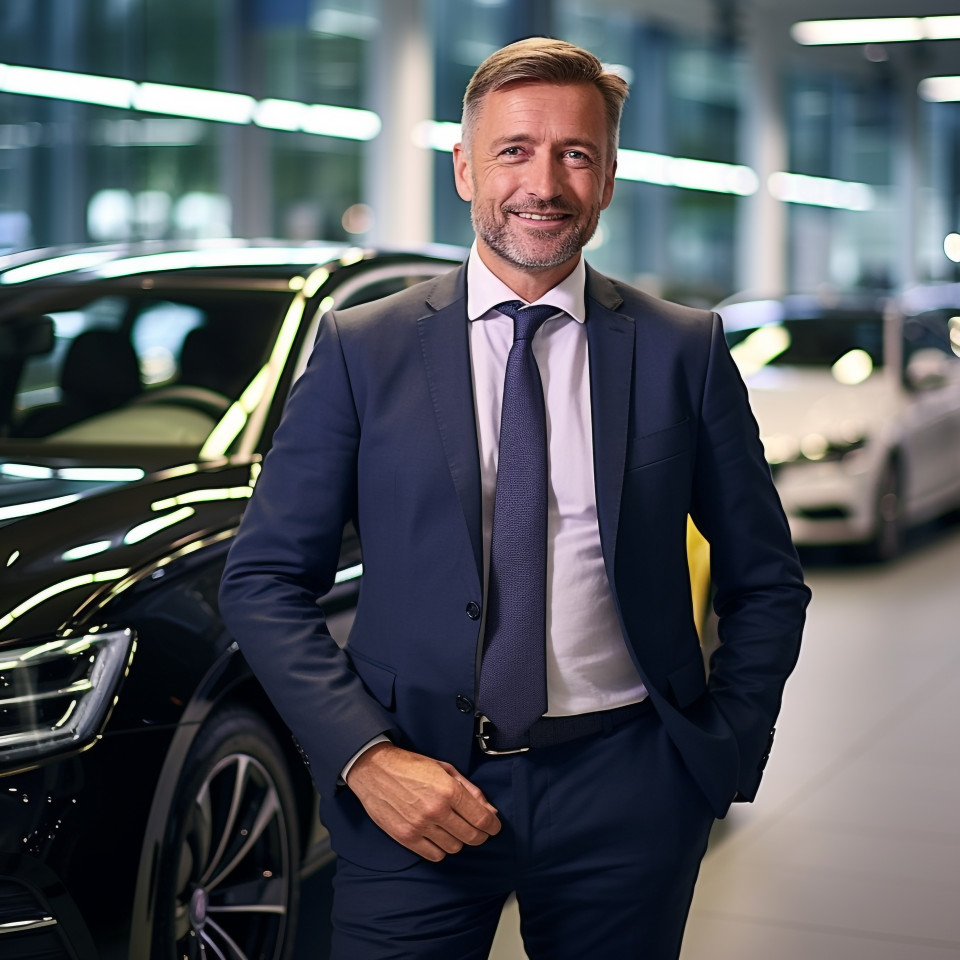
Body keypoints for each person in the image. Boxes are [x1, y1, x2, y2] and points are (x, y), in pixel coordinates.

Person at [219, 36, 810, 960]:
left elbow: (767, 580)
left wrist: (717, 754)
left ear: (608, 178)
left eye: (576, 153)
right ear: (464, 168)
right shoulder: (362, 349)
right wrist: (366, 759)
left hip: (630, 789)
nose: (545, 181)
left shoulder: (681, 350)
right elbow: (262, 580)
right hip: (417, 790)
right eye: (514, 150)